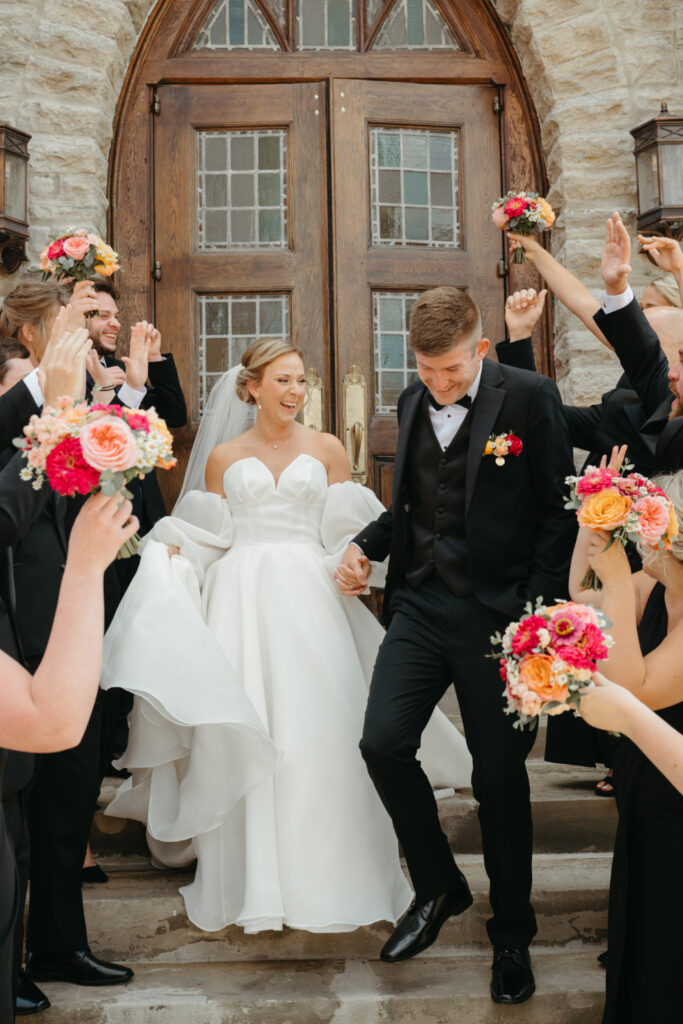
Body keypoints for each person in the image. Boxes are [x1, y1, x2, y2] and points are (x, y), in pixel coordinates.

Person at [100, 337, 472, 936]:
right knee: (251, 727)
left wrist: (355, 565)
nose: (296, 392)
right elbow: (213, 535)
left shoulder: (327, 450)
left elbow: (347, 534)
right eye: (283, 381)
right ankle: (253, 876)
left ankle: (327, 867)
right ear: (252, 388)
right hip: (240, 599)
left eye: (302, 380)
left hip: (310, 596)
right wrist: (174, 546)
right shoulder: (223, 457)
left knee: (318, 724)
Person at [336, 286, 576, 1004]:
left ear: (478, 347)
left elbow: (559, 512)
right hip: (417, 603)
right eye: (424, 369)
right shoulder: (412, 402)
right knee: (381, 743)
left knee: (499, 780)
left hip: (497, 617)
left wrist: (529, 617)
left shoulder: (530, 398)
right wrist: (361, 545)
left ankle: (512, 938)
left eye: (448, 370)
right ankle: (440, 885)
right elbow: (408, 505)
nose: (435, 383)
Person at [0, 491, 139, 1024]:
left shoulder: (84, 437)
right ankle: (7, 968)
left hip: (77, 640)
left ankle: (59, 946)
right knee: (16, 817)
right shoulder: (22, 420)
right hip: (16, 638)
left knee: (73, 800)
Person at [569, 455, 683, 1024]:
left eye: (645, 531)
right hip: (647, 795)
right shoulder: (656, 584)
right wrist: (592, 526)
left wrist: (614, 578)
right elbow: (581, 595)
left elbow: (635, 689)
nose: (637, 540)